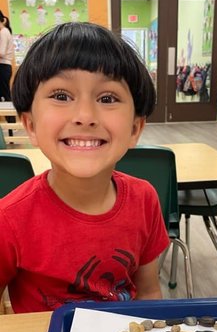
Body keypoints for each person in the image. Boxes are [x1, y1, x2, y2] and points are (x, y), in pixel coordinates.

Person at [0, 22, 170, 313]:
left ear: (134, 128)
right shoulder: (9, 220)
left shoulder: (144, 199)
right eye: (61, 96)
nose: (85, 116)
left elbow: (149, 293)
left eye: (107, 98)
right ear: (30, 124)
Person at [0, 10, 15, 134]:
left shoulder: (3, 32)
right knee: (4, 96)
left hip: (3, 66)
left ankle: (11, 126)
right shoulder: (4, 32)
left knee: (5, 96)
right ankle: (10, 127)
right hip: (4, 66)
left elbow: (2, 53)